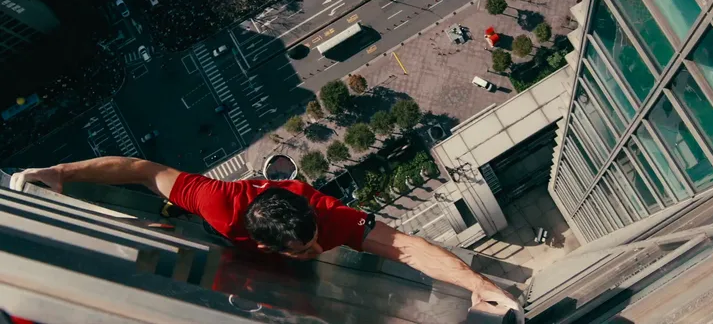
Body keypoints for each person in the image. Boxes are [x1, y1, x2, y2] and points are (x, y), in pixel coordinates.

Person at [10, 156, 524, 322]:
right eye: (304, 251)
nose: (316, 250)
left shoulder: (329, 217)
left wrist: (479, 286)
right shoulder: (215, 200)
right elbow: (143, 170)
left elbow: (407, 247)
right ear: (268, 248)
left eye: (314, 241)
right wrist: (61, 173)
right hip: (223, 238)